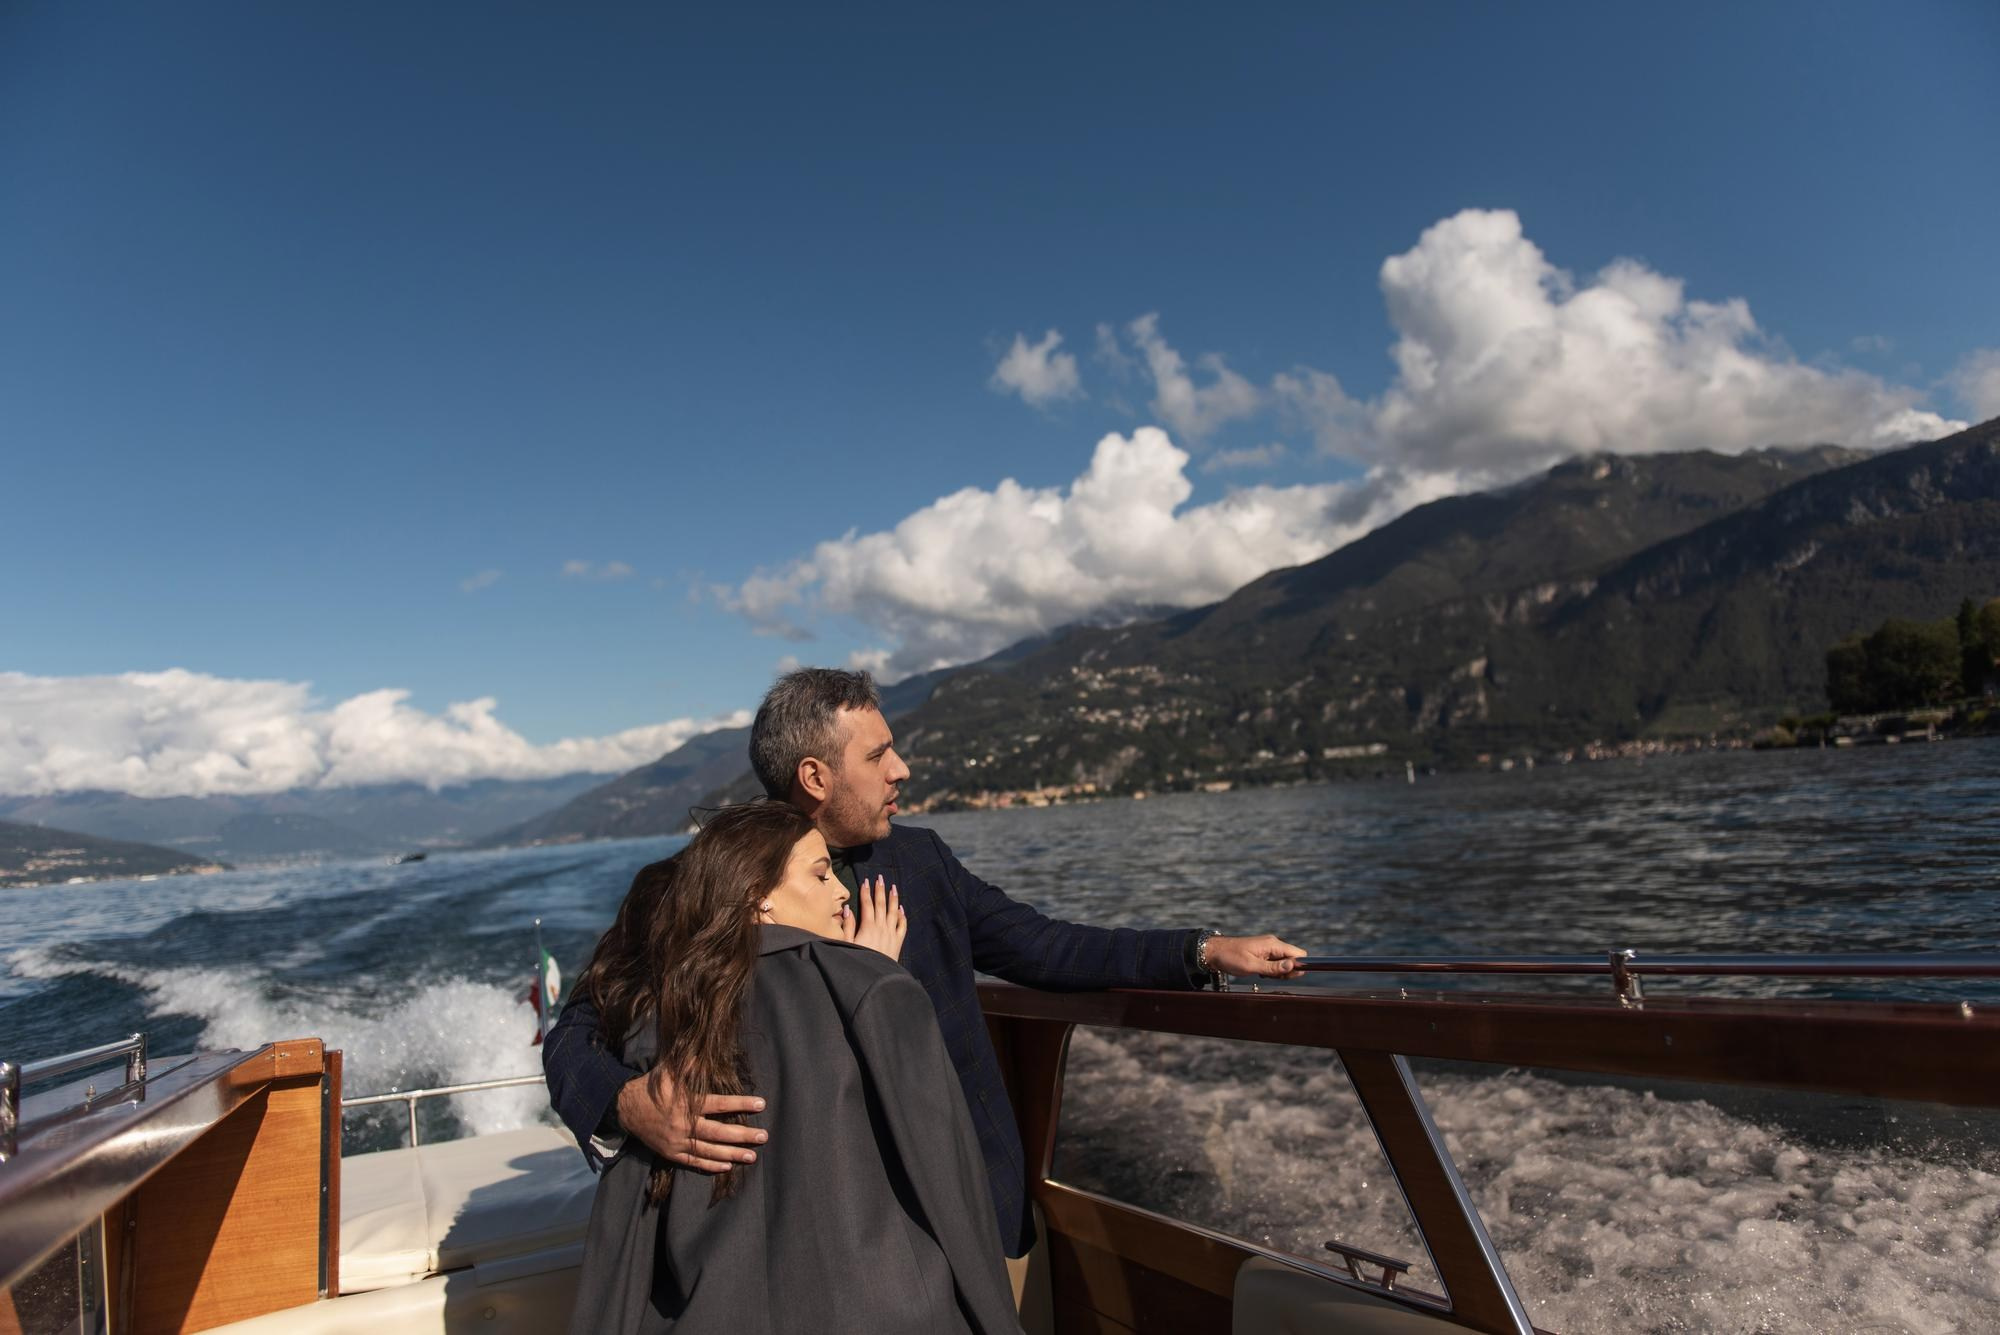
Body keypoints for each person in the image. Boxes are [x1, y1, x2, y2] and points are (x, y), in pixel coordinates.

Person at [545, 667, 1306, 1266]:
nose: (901, 769)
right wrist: (628, 1103)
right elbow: (575, 1028)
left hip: (966, 1207)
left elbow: (1044, 945)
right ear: (815, 777)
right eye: (878, 755)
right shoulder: (704, 886)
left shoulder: (922, 861)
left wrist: (1200, 950)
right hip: (815, 1245)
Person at [567, 799, 1021, 1334]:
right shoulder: (876, 989)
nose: (843, 891)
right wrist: (871, 974)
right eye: (821, 873)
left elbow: (629, 1214)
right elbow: (947, 1182)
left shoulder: (657, 1009)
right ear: (758, 898)